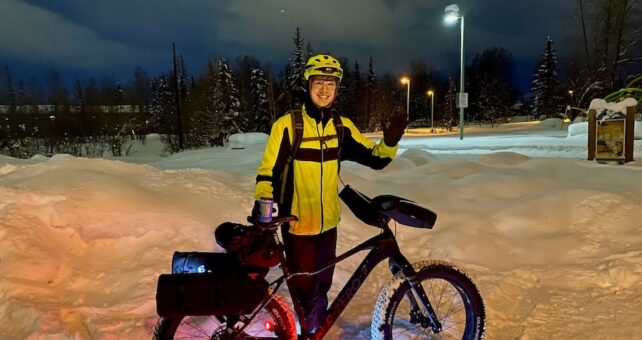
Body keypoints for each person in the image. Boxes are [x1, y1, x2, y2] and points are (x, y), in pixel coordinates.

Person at [253, 54, 406, 335]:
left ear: (337, 89)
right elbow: (267, 174)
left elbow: (375, 158)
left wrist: (390, 143)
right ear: (309, 85)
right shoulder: (288, 126)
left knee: (322, 285)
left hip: (329, 226)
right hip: (298, 225)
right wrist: (265, 209)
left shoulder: (340, 127)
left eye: (331, 84)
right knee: (305, 290)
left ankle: (314, 331)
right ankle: (308, 330)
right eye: (319, 83)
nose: (324, 90)